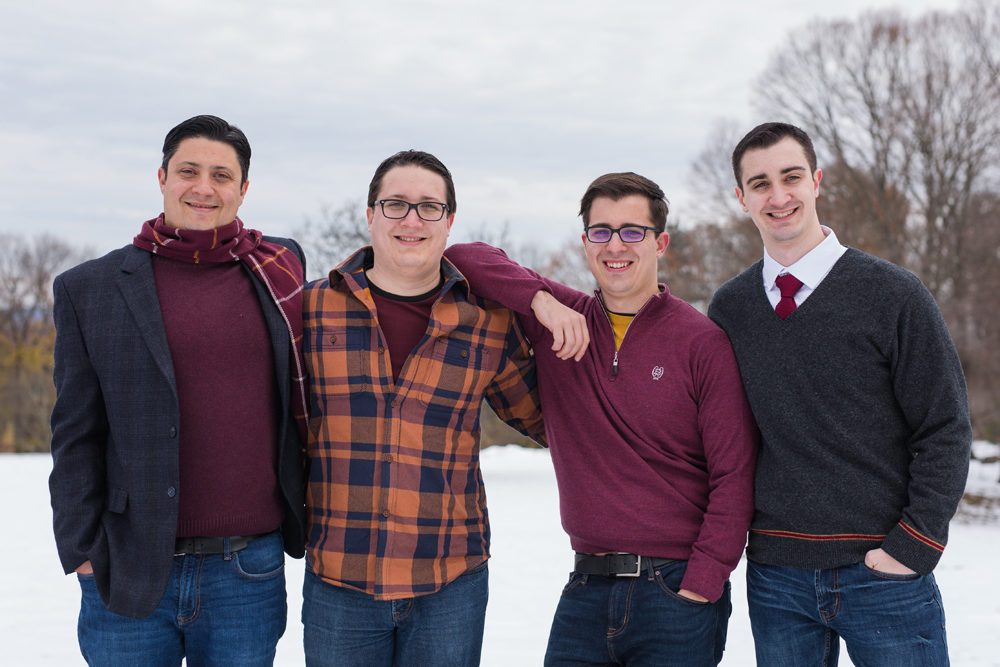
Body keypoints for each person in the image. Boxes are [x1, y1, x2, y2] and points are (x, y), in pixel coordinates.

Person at [444, 172, 758, 666]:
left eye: (633, 231)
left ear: (661, 243)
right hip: (586, 589)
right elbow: (461, 256)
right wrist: (539, 301)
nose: (616, 245)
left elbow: (735, 474)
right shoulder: (561, 318)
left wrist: (702, 584)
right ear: (585, 242)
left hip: (675, 589)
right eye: (600, 231)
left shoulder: (702, 343)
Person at [708, 121, 972, 665]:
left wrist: (913, 545)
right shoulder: (730, 309)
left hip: (883, 572)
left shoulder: (895, 294)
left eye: (791, 177)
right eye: (760, 184)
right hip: (777, 576)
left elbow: (944, 427)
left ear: (817, 182)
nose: (778, 197)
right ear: (741, 198)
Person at [49, 114, 308, 666]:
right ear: (162, 176)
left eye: (221, 175)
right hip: (129, 569)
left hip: (248, 570)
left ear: (243, 189)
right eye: (189, 170)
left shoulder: (278, 267)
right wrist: (82, 551)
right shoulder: (89, 289)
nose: (204, 187)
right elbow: (74, 432)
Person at [300, 150, 545, 666]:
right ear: (370, 215)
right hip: (340, 577)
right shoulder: (312, 310)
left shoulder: (486, 322)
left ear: (449, 221)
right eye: (395, 204)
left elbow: (549, 419)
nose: (412, 219)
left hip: (449, 580)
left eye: (429, 207)